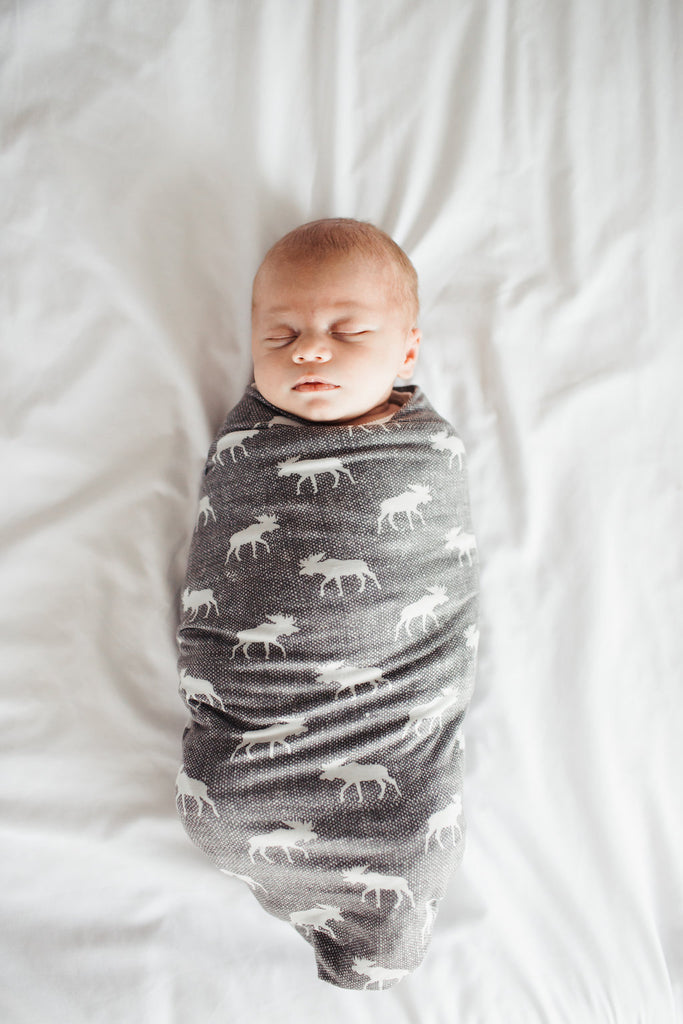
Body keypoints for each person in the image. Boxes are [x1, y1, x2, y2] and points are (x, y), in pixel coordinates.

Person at [175, 218, 479, 991]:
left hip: (386, 710)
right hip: (257, 710)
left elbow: (437, 573)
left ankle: (378, 943)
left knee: (411, 830)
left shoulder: (424, 450)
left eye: (347, 331)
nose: (309, 350)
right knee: (224, 812)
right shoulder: (250, 440)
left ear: (407, 350)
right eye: (279, 336)